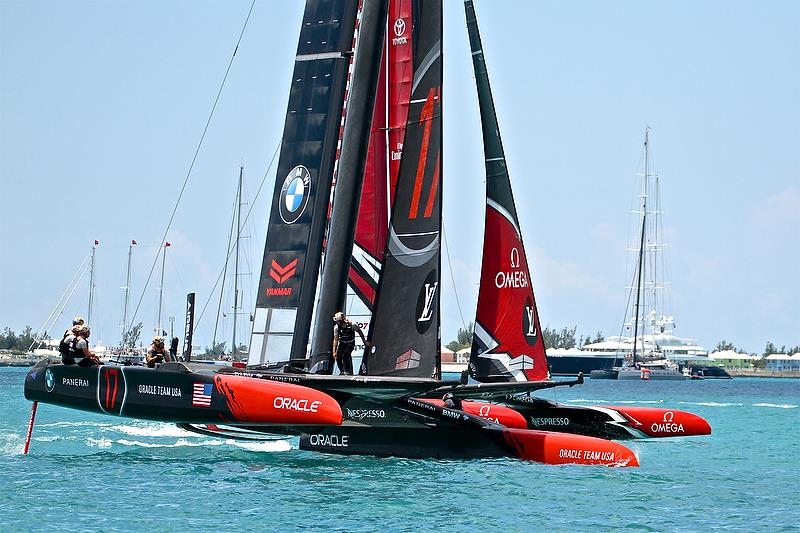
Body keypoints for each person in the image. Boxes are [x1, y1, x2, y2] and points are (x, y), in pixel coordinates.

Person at [331, 311, 369, 375]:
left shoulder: (352, 325)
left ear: (342, 320)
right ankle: (342, 371)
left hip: (350, 343)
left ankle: (347, 371)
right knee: (338, 357)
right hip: (342, 343)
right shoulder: (336, 327)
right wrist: (334, 351)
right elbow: (335, 339)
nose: (337, 322)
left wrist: (364, 341)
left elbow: (360, 332)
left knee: (345, 355)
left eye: (339, 321)